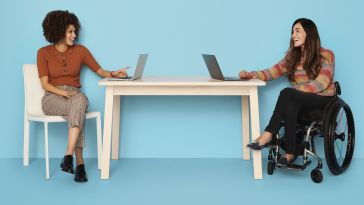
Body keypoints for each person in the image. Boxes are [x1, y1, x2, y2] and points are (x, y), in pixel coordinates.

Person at [37, 10, 127, 182]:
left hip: (75, 97)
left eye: (74, 31)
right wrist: (64, 93)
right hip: (52, 97)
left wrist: (115, 73)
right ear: (58, 31)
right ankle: (79, 163)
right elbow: (45, 84)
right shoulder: (43, 53)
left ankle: (68, 157)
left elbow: (101, 71)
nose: (74, 35)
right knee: (78, 107)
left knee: (80, 101)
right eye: (70, 31)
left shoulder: (81, 51)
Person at [242, 18, 335, 166]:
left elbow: (321, 83)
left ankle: (267, 135)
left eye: (297, 31)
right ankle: (290, 153)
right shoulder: (293, 57)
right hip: (301, 100)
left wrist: (296, 91)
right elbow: (271, 72)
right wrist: (251, 75)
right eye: (292, 32)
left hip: (322, 99)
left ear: (309, 33)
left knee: (288, 93)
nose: (293, 35)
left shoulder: (326, 54)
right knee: (290, 106)